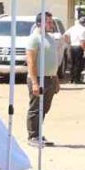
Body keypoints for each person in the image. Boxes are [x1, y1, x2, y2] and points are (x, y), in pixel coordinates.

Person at [26, 11, 62, 147]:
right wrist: (35, 82)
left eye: (51, 22)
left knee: (44, 108)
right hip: (39, 79)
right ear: (39, 23)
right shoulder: (34, 38)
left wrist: (56, 79)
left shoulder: (50, 38)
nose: (51, 24)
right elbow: (31, 61)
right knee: (36, 108)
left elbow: (53, 61)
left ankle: (38, 134)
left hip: (50, 79)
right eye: (48, 22)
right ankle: (33, 136)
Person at [66, 14, 85, 84]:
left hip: (71, 47)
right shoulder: (83, 29)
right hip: (78, 47)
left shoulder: (72, 28)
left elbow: (66, 35)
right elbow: (82, 41)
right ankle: (77, 79)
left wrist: (69, 42)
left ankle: (72, 79)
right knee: (79, 64)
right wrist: (84, 50)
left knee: (72, 64)